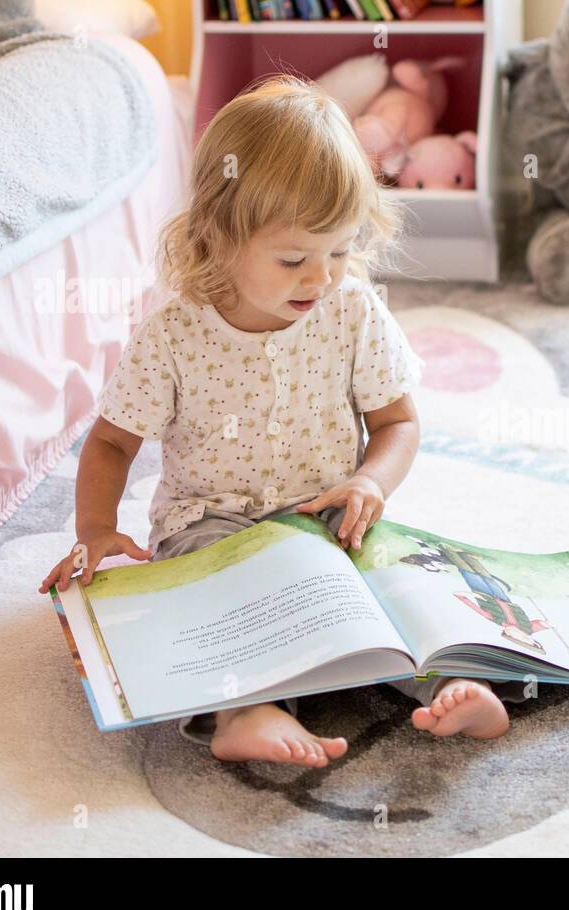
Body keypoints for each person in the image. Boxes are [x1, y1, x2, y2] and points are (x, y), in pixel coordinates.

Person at [38, 75, 519, 767]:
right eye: (295, 258)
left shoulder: (352, 310)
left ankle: (455, 678)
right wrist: (95, 529)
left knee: (396, 584)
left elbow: (398, 423)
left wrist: (372, 484)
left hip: (327, 513)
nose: (320, 278)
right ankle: (242, 709)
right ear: (216, 236)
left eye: (339, 251)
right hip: (211, 523)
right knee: (213, 602)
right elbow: (112, 439)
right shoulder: (173, 333)